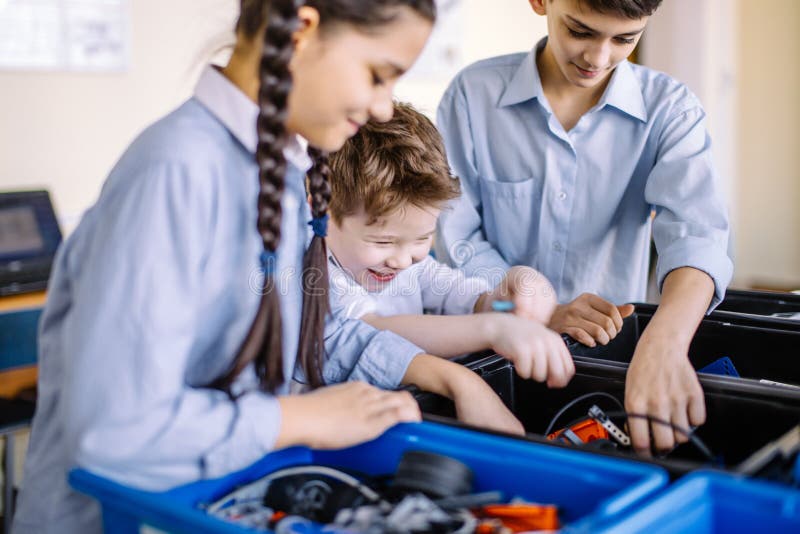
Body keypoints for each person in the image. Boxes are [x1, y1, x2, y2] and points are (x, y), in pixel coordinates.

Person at [10, 2, 467, 532]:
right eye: (378, 75)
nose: (384, 107)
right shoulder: (176, 174)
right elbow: (117, 433)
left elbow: (310, 329)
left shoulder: (285, 174)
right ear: (303, 29)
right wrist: (296, 419)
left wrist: (448, 377)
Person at [434, 0, 733, 455]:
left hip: (608, 358)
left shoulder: (671, 110)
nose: (598, 58)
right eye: (580, 30)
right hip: (487, 352)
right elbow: (457, 242)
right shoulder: (471, 97)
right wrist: (538, 312)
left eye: (625, 40)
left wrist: (664, 346)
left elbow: (697, 237)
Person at [326, 101, 574, 388]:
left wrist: (510, 300)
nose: (404, 261)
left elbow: (473, 300)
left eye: (422, 238)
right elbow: (370, 331)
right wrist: (493, 329)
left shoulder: (407, 266)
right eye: (383, 241)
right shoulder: (320, 273)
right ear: (323, 213)